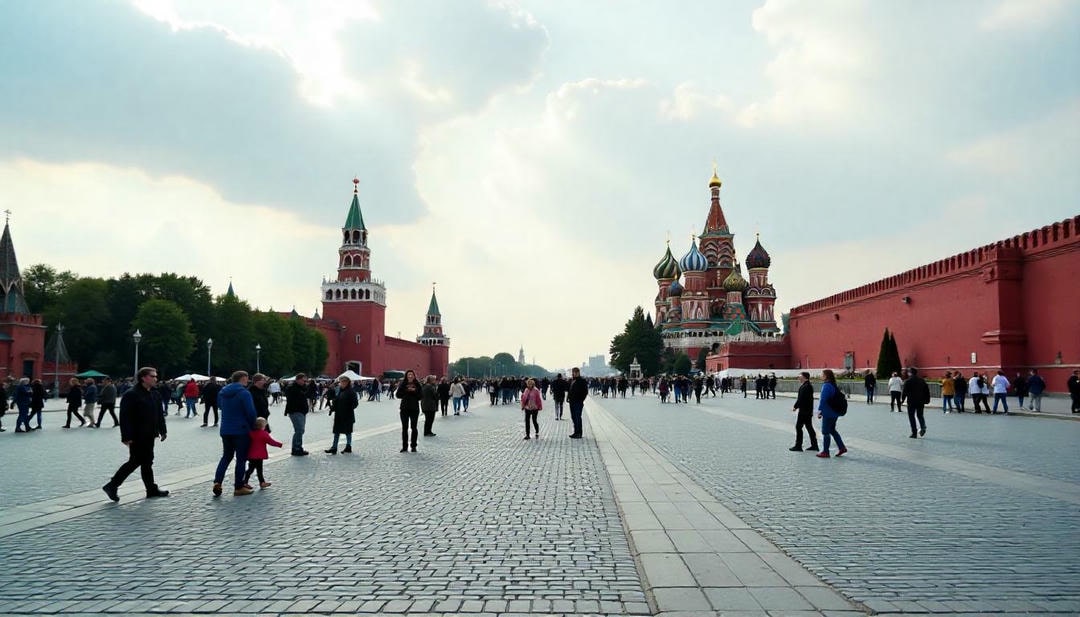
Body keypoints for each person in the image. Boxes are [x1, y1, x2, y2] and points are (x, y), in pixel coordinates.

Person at [102, 367, 169, 502]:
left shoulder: (155, 393)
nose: (156, 379)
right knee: (136, 461)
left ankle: (151, 489)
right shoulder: (132, 394)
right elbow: (125, 417)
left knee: (147, 461)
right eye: (153, 376)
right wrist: (126, 436)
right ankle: (112, 485)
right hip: (137, 435)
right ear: (144, 378)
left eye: (156, 376)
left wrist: (162, 429)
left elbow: (159, 414)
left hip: (150, 434)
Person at [213, 371, 258, 497]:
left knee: (226, 456)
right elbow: (250, 412)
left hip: (225, 429)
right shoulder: (244, 393)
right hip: (241, 429)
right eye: (247, 378)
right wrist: (253, 425)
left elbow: (220, 406)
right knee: (241, 459)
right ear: (243, 378)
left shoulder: (222, 392)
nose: (247, 381)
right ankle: (238, 487)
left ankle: (218, 481)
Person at [244, 417, 283, 489]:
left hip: (251, 455)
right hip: (259, 456)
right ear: (262, 426)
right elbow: (271, 442)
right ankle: (248, 482)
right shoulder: (264, 434)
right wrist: (280, 444)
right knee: (256, 469)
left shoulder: (251, 433)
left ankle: (259, 482)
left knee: (252, 468)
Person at [816, 369, 847, 458]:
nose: (820, 376)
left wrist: (820, 410)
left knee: (825, 432)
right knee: (832, 430)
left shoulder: (826, 386)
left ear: (826, 376)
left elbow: (823, 399)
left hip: (828, 412)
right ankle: (842, 447)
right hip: (834, 412)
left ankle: (826, 452)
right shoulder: (833, 385)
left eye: (822, 375)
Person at [326, 376, 359, 454]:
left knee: (348, 432)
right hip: (339, 415)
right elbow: (334, 399)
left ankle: (348, 446)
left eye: (343, 382)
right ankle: (334, 447)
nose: (341, 383)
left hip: (347, 415)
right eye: (341, 382)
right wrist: (332, 408)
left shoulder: (351, 392)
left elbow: (355, 404)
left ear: (347, 383)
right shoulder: (339, 391)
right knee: (336, 432)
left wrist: (348, 408)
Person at [790, 371, 818, 452]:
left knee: (798, 427)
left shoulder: (805, 387)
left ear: (805, 377)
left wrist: (795, 406)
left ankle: (798, 445)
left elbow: (801, 399)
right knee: (809, 427)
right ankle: (814, 445)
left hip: (804, 411)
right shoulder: (808, 385)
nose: (798, 378)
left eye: (800, 376)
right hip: (808, 411)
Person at [283, 373, 311, 455]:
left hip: (302, 411)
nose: (304, 382)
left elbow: (306, 395)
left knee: (300, 430)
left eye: (305, 380)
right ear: (298, 379)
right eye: (303, 380)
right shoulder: (292, 388)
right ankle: (296, 448)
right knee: (299, 429)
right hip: (295, 411)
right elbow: (294, 397)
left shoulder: (303, 387)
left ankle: (298, 447)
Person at [396, 370, 422, 452]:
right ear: (406, 376)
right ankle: (404, 447)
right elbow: (398, 395)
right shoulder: (403, 384)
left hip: (414, 408)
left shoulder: (418, 384)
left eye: (411, 374)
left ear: (414, 376)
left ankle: (413, 446)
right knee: (404, 428)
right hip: (404, 408)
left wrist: (414, 391)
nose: (410, 376)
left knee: (414, 428)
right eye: (408, 374)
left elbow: (421, 396)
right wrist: (406, 391)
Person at [901, 367, 931, 438]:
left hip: (911, 401)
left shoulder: (907, 381)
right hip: (920, 401)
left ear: (910, 373)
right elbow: (927, 391)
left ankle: (914, 433)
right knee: (920, 415)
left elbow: (904, 392)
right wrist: (927, 400)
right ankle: (923, 427)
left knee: (911, 417)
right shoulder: (922, 381)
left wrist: (902, 400)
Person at [567, 367, 588, 439]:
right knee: (573, 417)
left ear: (578, 373)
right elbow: (570, 390)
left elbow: (585, 391)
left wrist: (581, 399)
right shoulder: (572, 381)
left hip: (578, 402)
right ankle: (576, 432)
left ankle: (579, 433)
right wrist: (568, 398)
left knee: (578, 417)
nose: (574, 374)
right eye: (573, 372)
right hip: (572, 402)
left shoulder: (582, 381)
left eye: (576, 372)